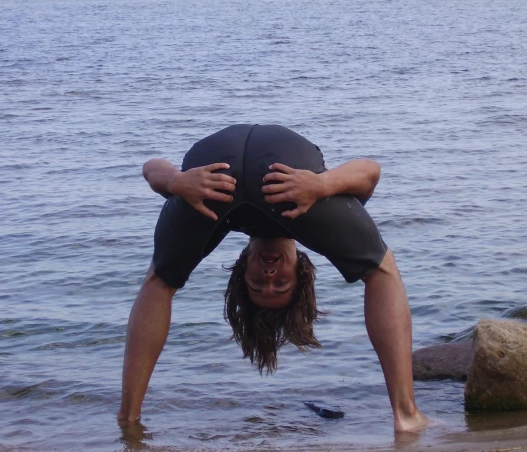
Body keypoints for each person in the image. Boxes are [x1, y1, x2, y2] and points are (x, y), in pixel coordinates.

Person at [118, 124, 428, 433]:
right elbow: (370, 172)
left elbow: (150, 168)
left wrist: (175, 181)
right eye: (281, 284)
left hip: (211, 176)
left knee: (160, 280)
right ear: (301, 271)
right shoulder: (311, 205)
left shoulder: (214, 214)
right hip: (290, 181)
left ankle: (127, 418)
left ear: (242, 269)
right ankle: (406, 414)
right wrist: (322, 185)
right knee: (381, 269)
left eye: (257, 284)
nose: (269, 275)